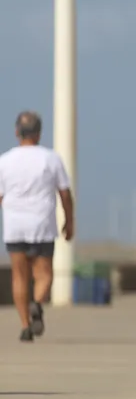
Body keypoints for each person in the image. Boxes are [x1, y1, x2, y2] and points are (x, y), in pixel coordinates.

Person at [0, 111, 74, 342]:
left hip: (15, 225)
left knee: (19, 277)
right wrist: (69, 221)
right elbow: (65, 193)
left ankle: (25, 326)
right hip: (42, 224)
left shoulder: (4, 161)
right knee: (44, 274)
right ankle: (38, 304)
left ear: (17, 132)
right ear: (39, 133)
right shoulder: (51, 159)